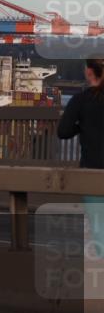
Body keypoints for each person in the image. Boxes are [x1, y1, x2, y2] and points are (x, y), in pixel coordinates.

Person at [57, 57, 104, 258]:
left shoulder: (81, 100)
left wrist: (82, 126)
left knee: (99, 228)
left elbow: (63, 131)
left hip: (92, 171)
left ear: (89, 72)